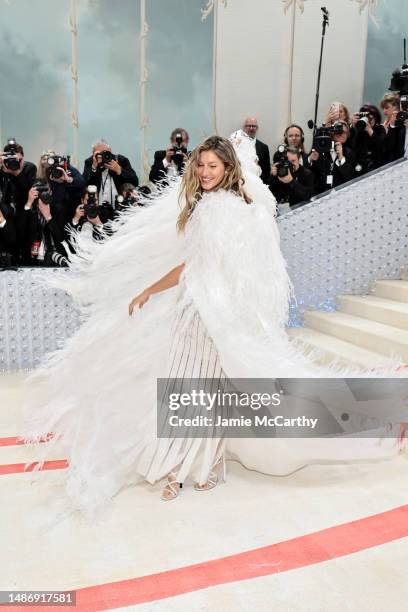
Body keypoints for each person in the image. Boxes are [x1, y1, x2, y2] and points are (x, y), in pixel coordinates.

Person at [24, 135, 406, 514]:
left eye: (213, 166)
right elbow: (193, 265)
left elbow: (223, 268)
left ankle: (182, 466)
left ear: (228, 169)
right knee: (196, 390)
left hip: (210, 314)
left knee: (198, 391)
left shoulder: (225, 209)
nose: (205, 172)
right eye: (201, 165)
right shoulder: (210, 206)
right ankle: (191, 465)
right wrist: (149, 290)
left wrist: (208, 301)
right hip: (196, 308)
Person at [0, 140, 37, 264]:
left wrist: (17, 173)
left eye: (18, 159)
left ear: (22, 157)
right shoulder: (2, 168)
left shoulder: (29, 167)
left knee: (24, 243)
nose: (15, 162)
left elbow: (29, 188)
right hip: (6, 212)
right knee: (8, 243)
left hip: (24, 211)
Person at [83, 140, 139, 208]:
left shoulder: (121, 160)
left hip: (120, 205)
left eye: (105, 153)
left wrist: (119, 170)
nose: (103, 156)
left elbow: (135, 182)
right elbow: (85, 184)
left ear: (110, 151)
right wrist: (94, 167)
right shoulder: (90, 162)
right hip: (98, 207)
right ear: (93, 155)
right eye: (99, 154)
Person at [308, 121, 355, 194]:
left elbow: (349, 177)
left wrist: (341, 157)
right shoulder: (321, 148)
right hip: (320, 194)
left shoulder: (349, 153)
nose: (342, 134)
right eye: (339, 131)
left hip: (341, 194)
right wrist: (310, 160)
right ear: (332, 133)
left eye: (345, 132)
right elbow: (311, 173)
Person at [349, 104, 386, 176]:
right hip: (358, 169)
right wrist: (353, 127)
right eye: (366, 118)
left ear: (376, 118)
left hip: (375, 168)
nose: (368, 120)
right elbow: (351, 146)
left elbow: (382, 146)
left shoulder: (379, 129)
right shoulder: (358, 130)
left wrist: (369, 130)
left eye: (371, 118)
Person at [242, 116, 271, 184]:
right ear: (244, 128)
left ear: (257, 128)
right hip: (242, 182)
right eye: (249, 126)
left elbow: (267, 171)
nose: (251, 128)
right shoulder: (237, 145)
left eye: (253, 126)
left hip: (258, 183)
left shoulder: (264, 147)